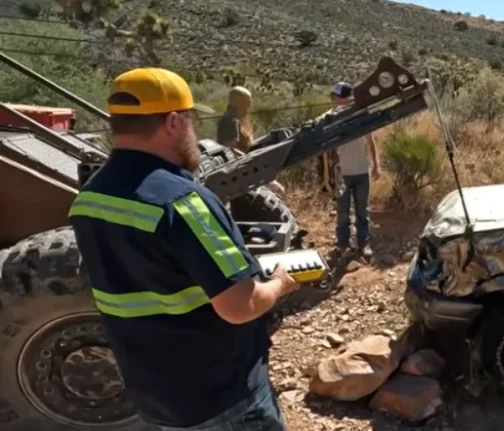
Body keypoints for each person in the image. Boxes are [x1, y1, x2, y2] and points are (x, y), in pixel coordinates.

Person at [67, 67, 298, 431]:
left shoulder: (90, 198)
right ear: (173, 122)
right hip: (222, 399)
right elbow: (239, 306)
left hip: (154, 396)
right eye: (192, 121)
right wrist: (280, 283)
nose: (195, 132)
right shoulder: (183, 202)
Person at [328, 81, 381, 258]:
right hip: (342, 174)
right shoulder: (331, 118)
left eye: (336, 96)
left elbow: (370, 140)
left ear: (346, 98)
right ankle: (343, 244)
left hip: (361, 171)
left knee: (362, 211)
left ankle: (363, 243)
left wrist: (376, 164)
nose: (334, 100)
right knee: (343, 213)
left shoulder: (361, 115)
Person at [217, 85, 286, 195]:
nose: (249, 106)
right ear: (239, 102)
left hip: (247, 166)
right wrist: (253, 163)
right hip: (242, 171)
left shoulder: (236, 119)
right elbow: (230, 149)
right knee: (278, 191)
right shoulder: (230, 121)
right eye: (247, 102)